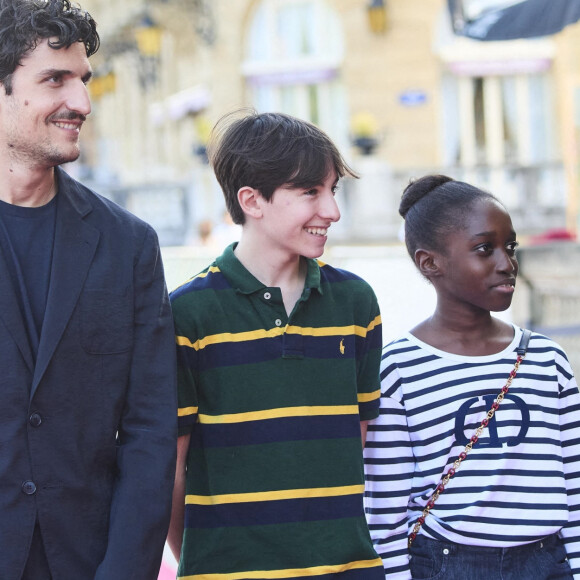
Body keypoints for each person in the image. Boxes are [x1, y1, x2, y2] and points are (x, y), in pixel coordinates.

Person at [0, 1, 177, 579]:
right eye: (55, 79)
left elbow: (151, 431)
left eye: (83, 81)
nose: (81, 103)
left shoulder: (127, 243)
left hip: (89, 562)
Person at [168, 110, 385, 579]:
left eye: (333, 190)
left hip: (348, 569)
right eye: (310, 191)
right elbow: (171, 468)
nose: (331, 211)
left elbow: (357, 444)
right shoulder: (187, 314)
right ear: (252, 200)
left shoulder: (355, 302)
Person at [364, 175, 580, 579]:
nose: (507, 263)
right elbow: (386, 510)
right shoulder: (397, 368)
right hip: (447, 564)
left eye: (510, 247)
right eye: (485, 249)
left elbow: (576, 480)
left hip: (548, 563)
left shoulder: (547, 360)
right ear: (430, 262)